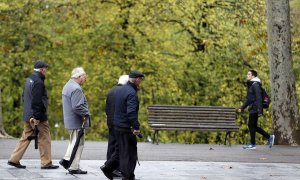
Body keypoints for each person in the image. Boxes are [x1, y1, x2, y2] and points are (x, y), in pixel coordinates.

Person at [8, 60, 59, 169]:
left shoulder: (29, 79)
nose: (46, 71)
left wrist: (28, 113)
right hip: (37, 117)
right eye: (46, 69)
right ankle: (46, 163)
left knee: (25, 137)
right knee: (44, 137)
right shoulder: (38, 82)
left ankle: (14, 159)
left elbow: (24, 96)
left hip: (28, 114)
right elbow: (37, 100)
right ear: (42, 69)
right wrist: (36, 116)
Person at [100, 71, 144, 180]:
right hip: (126, 127)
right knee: (129, 152)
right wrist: (136, 127)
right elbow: (131, 112)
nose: (141, 82)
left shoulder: (120, 90)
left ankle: (108, 167)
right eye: (141, 79)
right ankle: (128, 176)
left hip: (117, 125)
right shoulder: (131, 93)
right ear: (137, 79)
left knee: (120, 150)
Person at [59, 67, 90, 174]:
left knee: (73, 142)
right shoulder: (76, 88)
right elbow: (77, 106)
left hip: (70, 121)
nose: (85, 79)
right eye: (84, 77)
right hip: (76, 122)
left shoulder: (67, 85)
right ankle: (72, 166)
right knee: (78, 143)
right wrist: (86, 113)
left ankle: (68, 162)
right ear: (78, 77)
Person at [238, 70, 275, 150]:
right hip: (253, 108)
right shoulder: (252, 85)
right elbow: (249, 99)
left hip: (255, 108)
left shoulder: (255, 85)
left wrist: (259, 110)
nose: (247, 75)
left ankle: (253, 144)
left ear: (253, 76)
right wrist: (242, 107)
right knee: (254, 126)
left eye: (249, 74)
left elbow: (259, 98)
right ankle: (269, 137)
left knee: (251, 125)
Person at [101, 75, 129, 178]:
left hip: (110, 121)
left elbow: (107, 107)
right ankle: (116, 168)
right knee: (120, 146)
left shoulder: (111, 91)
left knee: (111, 144)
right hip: (119, 122)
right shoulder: (124, 92)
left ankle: (109, 167)